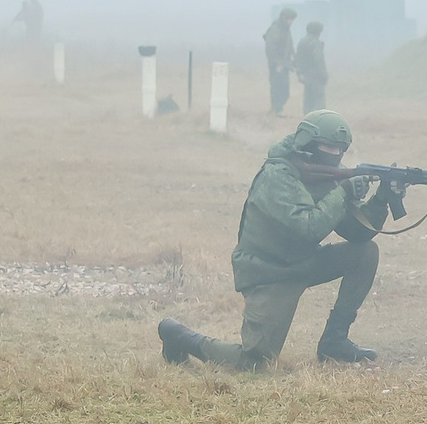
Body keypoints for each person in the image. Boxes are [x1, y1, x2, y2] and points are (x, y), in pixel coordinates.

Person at [158, 111, 395, 368]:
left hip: (303, 261)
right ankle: (180, 336)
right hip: (269, 272)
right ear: (306, 144)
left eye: (340, 149)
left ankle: (334, 341)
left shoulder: (329, 175)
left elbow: (357, 233)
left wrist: (381, 199)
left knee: (365, 252)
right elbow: (308, 228)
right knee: (255, 363)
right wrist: (343, 193)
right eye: (328, 146)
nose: (334, 153)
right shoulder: (277, 176)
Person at [263, 7, 298, 115]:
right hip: (277, 64)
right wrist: (276, 64)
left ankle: (277, 108)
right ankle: (277, 109)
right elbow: (270, 48)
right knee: (277, 86)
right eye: (290, 19)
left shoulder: (285, 29)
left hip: (284, 63)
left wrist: (294, 58)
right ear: (284, 18)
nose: (291, 22)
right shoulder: (275, 29)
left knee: (284, 89)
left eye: (293, 19)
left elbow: (289, 45)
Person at [293, 20, 327, 114]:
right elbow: (318, 60)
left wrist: (300, 73)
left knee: (308, 98)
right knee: (319, 98)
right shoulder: (315, 43)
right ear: (317, 31)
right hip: (315, 75)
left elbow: (297, 59)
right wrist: (324, 75)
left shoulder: (302, 41)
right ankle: (320, 118)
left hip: (305, 74)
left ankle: (307, 118)